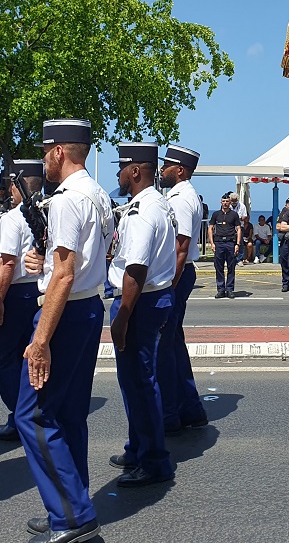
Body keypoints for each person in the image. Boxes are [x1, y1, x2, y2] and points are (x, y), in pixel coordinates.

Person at [17, 118, 112, 542]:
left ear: (59, 151)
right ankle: (72, 500)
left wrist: (40, 341)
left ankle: (72, 516)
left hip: (66, 312)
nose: (43, 160)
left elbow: (65, 274)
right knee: (70, 414)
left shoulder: (66, 199)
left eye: (44, 151)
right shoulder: (98, 193)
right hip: (88, 307)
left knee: (34, 415)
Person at [107, 141, 176, 488]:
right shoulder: (155, 205)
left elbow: (135, 269)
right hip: (151, 300)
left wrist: (122, 318)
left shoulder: (142, 211)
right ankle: (137, 449)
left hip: (140, 302)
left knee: (141, 383)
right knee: (134, 382)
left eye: (120, 168)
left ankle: (153, 461)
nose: (117, 175)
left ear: (135, 171)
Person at [0, 159, 44, 443]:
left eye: (11, 183)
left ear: (17, 184)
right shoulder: (46, 210)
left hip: (16, 292)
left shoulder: (12, 218)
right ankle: (28, 410)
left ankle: (20, 413)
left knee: (2, 358)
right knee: (28, 356)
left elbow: (7, 263)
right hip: (38, 290)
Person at [158, 144, 209, 436]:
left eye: (166, 166)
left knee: (164, 347)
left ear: (179, 170)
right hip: (178, 275)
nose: (162, 170)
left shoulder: (179, 198)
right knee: (173, 343)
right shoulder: (182, 195)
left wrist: (168, 288)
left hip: (175, 276)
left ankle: (169, 413)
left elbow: (181, 248)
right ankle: (189, 408)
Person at [209, 194, 241, 299]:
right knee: (219, 267)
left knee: (231, 267)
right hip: (218, 243)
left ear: (230, 202)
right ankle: (221, 290)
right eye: (223, 201)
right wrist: (212, 243)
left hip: (230, 243)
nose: (225, 203)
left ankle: (230, 289)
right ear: (221, 202)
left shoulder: (234, 215)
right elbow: (210, 228)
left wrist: (237, 244)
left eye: (227, 201)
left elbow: (239, 229)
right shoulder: (216, 214)